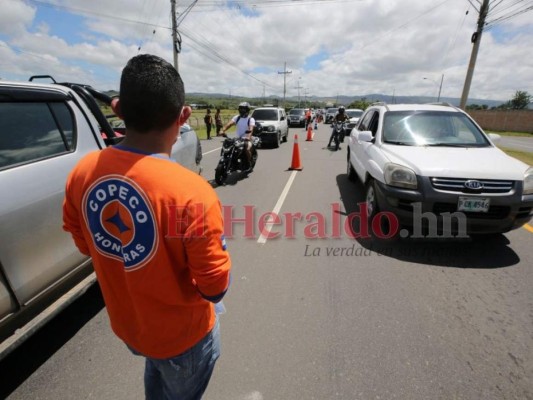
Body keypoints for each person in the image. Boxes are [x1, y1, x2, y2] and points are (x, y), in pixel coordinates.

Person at [62, 54, 231, 400]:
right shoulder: (193, 191)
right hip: (184, 338)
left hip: (130, 328)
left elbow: (84, 243)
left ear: (118, 109)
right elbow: (215, 287)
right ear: (184, 117)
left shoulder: (83, 171)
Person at [220, 101, 255, 172]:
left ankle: (249, 163)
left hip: (247, 139)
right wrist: (222, 130)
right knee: (228, 145)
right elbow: (229, 124)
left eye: (244, 109)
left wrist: (248, 137)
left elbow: (251, 129)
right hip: (238, 138)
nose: (242, 110)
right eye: (241, 109)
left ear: (247, 110)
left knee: (247, 148)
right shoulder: (237, 118)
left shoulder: (250, 119)